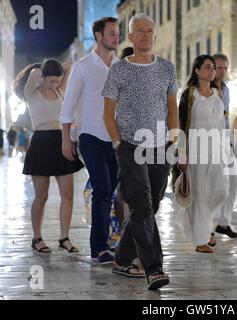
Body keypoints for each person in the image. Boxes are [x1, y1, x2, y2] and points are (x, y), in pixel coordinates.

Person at [102, 14, 179, 290]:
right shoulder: (119, 70)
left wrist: (174, 141)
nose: (145, 35)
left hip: (160, 146)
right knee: (142, 204)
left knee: (151, 205)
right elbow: (108, 111)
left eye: (149, 31)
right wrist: (116, 141)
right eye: (139, 31)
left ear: (155, 37)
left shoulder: (167, 69)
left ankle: (122, 257)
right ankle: (154, 268)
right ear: (131, 37)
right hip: (130, 146)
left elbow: (172, 107)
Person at [61, 17, 120, 264]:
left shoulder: (121, 67)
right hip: (90, 135)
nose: (117, 38)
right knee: (103, 187)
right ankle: (99, 247)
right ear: (98, 36)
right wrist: (66, 138)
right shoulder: (83, 66)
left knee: (112, 190)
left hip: (116, 139)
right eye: (112, 34)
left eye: (118, 34)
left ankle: (112, 241)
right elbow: (68, 104)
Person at [14, 59, 84, 253]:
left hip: (61, 141)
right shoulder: (31, 93)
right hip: (41, 143)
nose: (56, 84)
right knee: (41, 195)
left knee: (67, 193)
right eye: (52, 80)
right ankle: (37, 238)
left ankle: (64, 237)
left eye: (58, 80)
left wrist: (58, 71)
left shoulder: (59, 91)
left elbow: (71, 64)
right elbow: (36, 72)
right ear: (43, 77)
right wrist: (46, 68)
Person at [178, 55, 228, 254]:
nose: (212, 71)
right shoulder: (189, 94)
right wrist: (181, 153)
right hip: (195, 150)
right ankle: (201, 239)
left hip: (214, 150)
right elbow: (181, 125)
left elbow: (221, 125)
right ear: (197, 71)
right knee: (198, 195)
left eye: (213, 68)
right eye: (207, 67)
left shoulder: (217, 93)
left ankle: (199, 223)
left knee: (220, 190)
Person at [211, 53, 237, 240]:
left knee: (233, 181)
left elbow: (226, 116)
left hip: (224, 142)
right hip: (206, 141)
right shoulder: (204, 89)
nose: (222, 72)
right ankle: (207, 226)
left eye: (225, 68)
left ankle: (223, 222)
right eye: (218, 68)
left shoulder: (227, 89)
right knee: (212, 186)